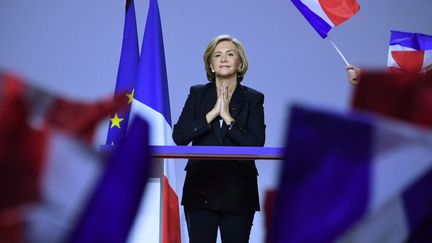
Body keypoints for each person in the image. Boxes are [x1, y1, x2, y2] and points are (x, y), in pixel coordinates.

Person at [172, 35, 266, 243]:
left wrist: (229, 119)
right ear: (211, 66)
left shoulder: (254, 98)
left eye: (230, 54)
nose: (223, 59)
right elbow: (180, 136)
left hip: (239, 192)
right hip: (200, 189)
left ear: (239, 63)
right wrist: (212, 114)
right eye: (218, 55)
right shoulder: (197, 94)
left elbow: (256, 144)